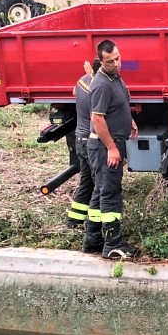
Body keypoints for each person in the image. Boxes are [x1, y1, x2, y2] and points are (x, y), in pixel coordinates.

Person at [87, 40, 140, 259]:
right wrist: (111, 148)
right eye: (111, 61)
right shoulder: (101, 84)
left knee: (100, 191)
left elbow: (117, 107)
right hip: (104, 146)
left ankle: (92, 239)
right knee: (110, 194)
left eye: (118, 58)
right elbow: (97, 119)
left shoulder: (114, 77)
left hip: (112, 142)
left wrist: (130, 122)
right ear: (100, 61)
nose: (117, 64)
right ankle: (112, 244)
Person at [68, 58, 106, 255]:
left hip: (79, 139)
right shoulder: (98, 88)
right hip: (90, 141)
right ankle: (93, 232)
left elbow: (75, 93)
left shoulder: (83, 81)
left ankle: (73, 219)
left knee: (87, 182)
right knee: (99, 185)